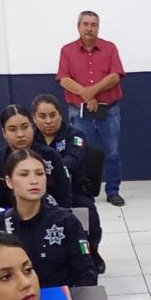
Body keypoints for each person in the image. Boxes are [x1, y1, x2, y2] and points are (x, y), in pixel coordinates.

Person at [0, 149, 96, 288]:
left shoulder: (67, 222)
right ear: (9, 181)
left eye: (40, 174)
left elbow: (86, 274)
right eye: (24, 174)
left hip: (58, 299)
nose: (34, 181)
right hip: (11, 299)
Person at [58, 10, 126, 207]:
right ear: (78, 27)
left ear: (98, 27)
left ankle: (113, 191)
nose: (89, 28)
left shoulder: (110, 48)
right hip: (79, 111)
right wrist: (86, 95)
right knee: (79, 152)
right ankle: (83, 190)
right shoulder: (67, 50)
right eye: (85, 24)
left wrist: (92, 92)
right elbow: (63, 79)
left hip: (109, 110)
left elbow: (116, 75)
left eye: (93, 24)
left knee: (112, 152)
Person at [32, 94, 105, 274]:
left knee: (90, 219)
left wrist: (45, 169)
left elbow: (71, 162)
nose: (48, 121)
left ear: (60, 115)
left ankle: (92, 252)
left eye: (52, 115)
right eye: (42, 116)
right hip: (40, 192)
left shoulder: (75, 136)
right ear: (34, 118)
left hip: (74, 191)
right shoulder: (30, 138)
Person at [0, 105, 73, 210]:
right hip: (5, 217)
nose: (20, 134)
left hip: (50, 215)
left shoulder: (51, 156)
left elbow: (65, 199)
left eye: (25, 127)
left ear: (32, 127)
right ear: (4, 133)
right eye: (12, 129)